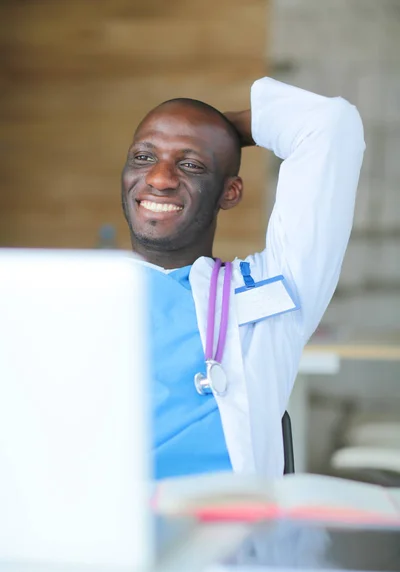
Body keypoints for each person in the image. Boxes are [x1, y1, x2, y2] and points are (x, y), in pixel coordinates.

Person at [121, 77, 365, 480]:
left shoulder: (269, 291)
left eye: (190, 164)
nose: (160, 178)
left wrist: (220, 129)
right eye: (144, 157)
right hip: (102, 528)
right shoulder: (81, 298)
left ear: (229, 193)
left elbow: (330, 125)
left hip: (229, 532)